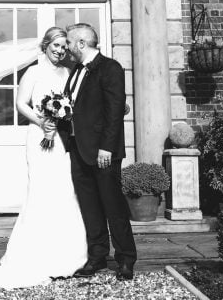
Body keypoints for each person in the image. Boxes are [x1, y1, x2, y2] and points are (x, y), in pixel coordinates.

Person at [0, 27, 87, 289]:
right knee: (40, 190)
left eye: (64, 47)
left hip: (61, 139)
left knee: (64, 189)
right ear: (45, 45)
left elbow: (73, 105)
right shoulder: (33, 72)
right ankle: (34, 254)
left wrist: (62, 118)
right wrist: (41, 121)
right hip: (39, 138)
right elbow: (20, 103)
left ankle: (67, 254)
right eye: (55, 45)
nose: (60, 51)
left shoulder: (68, 74)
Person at [57, 23, 137, 281]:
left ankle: (126, 259)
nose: (67, 48)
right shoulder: (76, 71)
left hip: (103, 152)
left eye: (70, 43)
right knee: (90, 207)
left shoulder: (110, 68)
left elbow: (114, 112)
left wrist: (106, 148)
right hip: (78, 149)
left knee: (113, 206)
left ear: (81, 43)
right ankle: (97, 256)